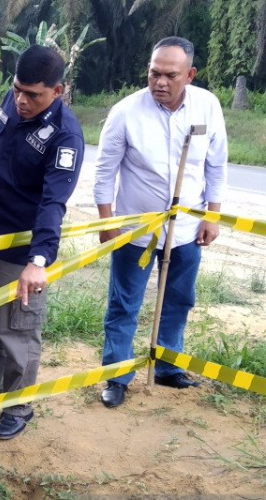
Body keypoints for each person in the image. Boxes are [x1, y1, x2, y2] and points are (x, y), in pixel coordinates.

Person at [94, 36, 228, 408]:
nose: (160, 83)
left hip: (187, 229)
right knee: (124, 303)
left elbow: (217, 164)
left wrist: (212, 216)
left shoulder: (208, 107)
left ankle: (169, 366)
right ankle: (116, 376)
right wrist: (107, 222)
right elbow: (105, 173)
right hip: (136, 232)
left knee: (179, 299)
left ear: (190, 75)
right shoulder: (125, 112)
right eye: (154, 73)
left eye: (171, 75)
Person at [0, 45, 85, 440]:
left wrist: (39, 260)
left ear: (57, 90)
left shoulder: (65, 137)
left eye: (33, 94)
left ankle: (17, 404)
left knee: (17, 332)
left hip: (23, 251)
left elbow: (54, 203)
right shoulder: (11, 103)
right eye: (18, 89)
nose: (22, 100)